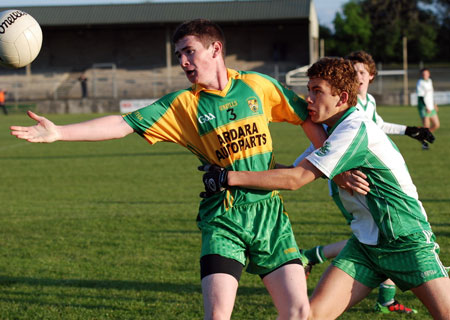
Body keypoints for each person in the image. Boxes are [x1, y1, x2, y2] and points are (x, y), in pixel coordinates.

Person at [11, 19, 361, 320]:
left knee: (299, 313)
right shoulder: (183, 106)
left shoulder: (257, 85)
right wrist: (59, 133)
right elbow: (123, 124)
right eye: (179, 54)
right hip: (224, 219)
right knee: (218, 315)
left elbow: (308, 117)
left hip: (270, 216)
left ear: (215, 49)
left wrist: (335, 168)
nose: (182, 61)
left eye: (189, 51)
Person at [200, 57, 450, 319]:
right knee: (310, 316)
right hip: (366, 246)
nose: (308, 98)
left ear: (341, 97)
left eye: (317, 91)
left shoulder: (354, 128)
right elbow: (289, 172)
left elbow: (296, 179)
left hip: (405, 240)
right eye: (309, 90)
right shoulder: (331, 131)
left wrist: (229, 178)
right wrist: (234, 168)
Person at [293, 50, 429, 315]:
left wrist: (408, 130)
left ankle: (315, 256)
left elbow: (375, 127)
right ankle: (385, 298)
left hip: (405, 236)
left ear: (370, 76)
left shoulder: (361, 114)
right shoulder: (337, 120)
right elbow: (295, 174)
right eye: (353, 73)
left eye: (361, 73)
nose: (358, 78)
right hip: (362, 228)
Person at [417, 68, 440, 149]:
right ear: (421, 75)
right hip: (424, 108)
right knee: (426, 126)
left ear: (429, 74)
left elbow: (431, 95)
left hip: (431, 106)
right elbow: (420, 97)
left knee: (436, 125)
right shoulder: (420, 83)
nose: (425, 75)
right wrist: (426, 107)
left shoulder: (429, 81)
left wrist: (434, 104)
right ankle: (424, 145)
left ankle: (420, 134)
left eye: (426, 74)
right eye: (423, 74)